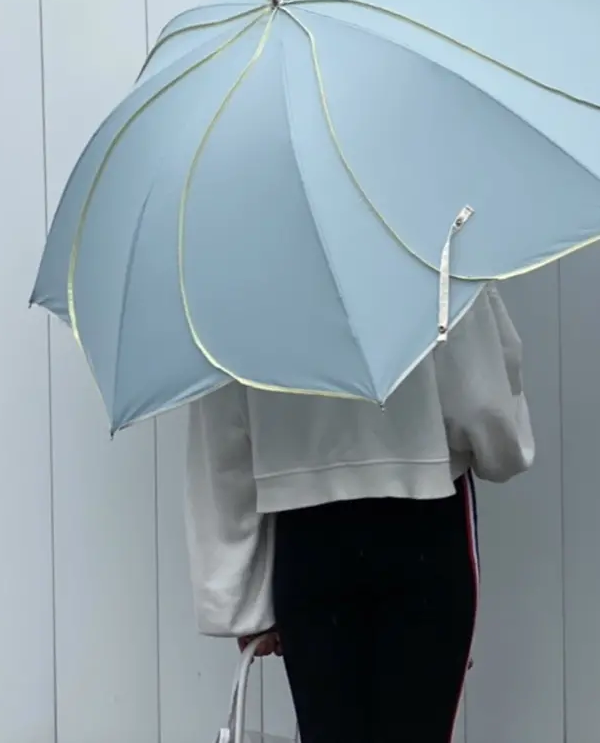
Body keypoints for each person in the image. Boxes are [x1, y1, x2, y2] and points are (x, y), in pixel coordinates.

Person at [184, 283, 534, 743]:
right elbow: (486, 410)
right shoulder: (429, 235)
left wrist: (238, 601)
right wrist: (503, 447)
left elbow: (222, 443)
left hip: (307, 535)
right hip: (424, 519)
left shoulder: (236, 271)